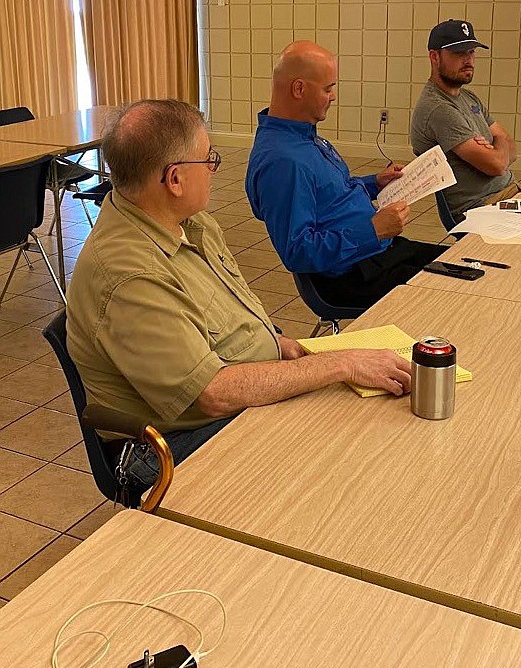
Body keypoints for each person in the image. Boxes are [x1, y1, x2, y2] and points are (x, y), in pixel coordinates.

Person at [67, 100, 412, 489]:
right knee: (342, 456)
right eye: (207, 159)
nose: (215, 169)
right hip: (174, 445)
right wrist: (340, 364)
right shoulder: (129, 273)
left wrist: (278, 344)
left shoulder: (188, 222)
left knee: (361, 420)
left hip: (229, 400)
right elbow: (212, 393)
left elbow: (226, 315)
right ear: (175, 179)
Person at [246, 41, 446, 309]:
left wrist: (373, 183)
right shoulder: (284, 161)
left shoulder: (303, 138)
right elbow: (298, 251)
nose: (333, 96)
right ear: (299, 88)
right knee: (455, 295)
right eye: (328, 88)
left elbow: (329, 193)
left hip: (374, 254)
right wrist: (372, 230)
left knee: (460, 263)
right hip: (351, 276)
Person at [409, 19, 520, 220]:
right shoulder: (438, 108)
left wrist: (498, 146)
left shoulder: (468, 97)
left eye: (471, 52)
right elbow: (497, 165)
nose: (468, 60)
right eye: (459, 53)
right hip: (479, 208)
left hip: (507, 195)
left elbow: (511, 148)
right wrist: (496, 146)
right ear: (435, 57)